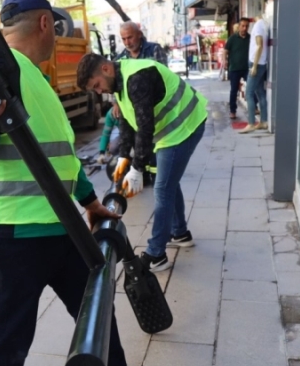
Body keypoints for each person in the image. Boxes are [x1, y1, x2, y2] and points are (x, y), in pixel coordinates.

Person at [0, 0, 154, 366]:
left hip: (60, 225)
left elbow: (60, 158)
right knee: (8, 327)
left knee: (94, 305)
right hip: (7, 234)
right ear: (47, 23)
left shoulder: (37, 79)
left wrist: (89, 203)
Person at [77, 53, 207, 272]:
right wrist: (123, 157)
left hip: (184, 126)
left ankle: (157, 255)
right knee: (167, 182)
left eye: (97, 85)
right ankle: (180, 233)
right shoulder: (118, 83)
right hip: (170, 130)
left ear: (106, 69)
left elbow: (145, 129)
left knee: (163, 187)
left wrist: (137, 169)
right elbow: (127, 121)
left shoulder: (137, 78)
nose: (99, 92)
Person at [239, 10, 269, 133]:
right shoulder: (264, 25)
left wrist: (255, 66)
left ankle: (251, 123)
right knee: (260, 92)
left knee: (249, 93)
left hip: (256, 63)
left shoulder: (257, 26)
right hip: (262, 62)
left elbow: (259, 45)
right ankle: (263, 121)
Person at [224, 18, 251, 120]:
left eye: (246, 26)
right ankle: (232, 111)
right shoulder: (232, 38)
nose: (244, 28)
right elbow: (225, 50)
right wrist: (225, 61)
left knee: (252, 88)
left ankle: (254, 107)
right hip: (234, 68)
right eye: (243, 26)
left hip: (247, 68)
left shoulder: (250, 38)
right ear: (239, 26)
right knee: (234, 91)